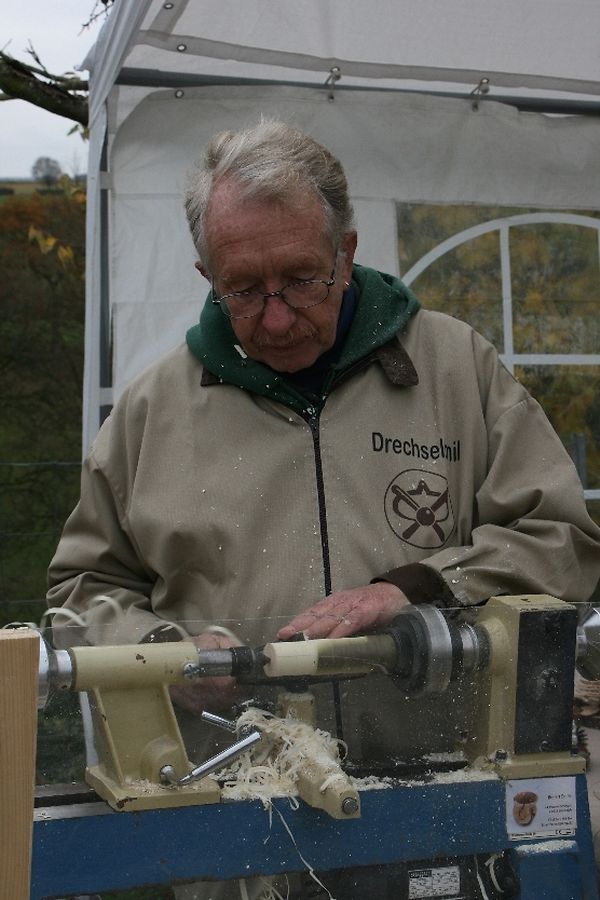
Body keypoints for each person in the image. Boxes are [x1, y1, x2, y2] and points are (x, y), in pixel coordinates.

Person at [48, 120, 600, 898]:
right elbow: (80, 594)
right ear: (207, 274)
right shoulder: (150, 413)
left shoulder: (456, 370)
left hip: (445, 815)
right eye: (244, 290)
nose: (276, 318)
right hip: (238, 840)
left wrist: (418, 587)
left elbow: (562, 540)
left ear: (346, 251)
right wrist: (164, 655)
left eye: (303, 279)